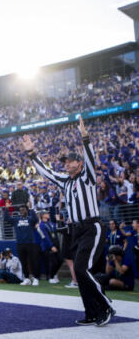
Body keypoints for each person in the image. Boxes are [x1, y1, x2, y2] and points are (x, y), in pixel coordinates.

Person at [22, 117, 114, 326]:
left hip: (92, 226)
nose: (66, 164)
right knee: (79, 273)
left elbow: (90, 158)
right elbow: (46, 172)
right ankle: (91, 312)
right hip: (77, 230)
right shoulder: (66, 181)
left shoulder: (87, 176)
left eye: (70, 161)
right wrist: (31, 153)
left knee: (82, 269)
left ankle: (105, 306)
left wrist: (85, 137)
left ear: (79, 164)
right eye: (65, 162)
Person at [3, 205, 41, 286]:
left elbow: (36, 219)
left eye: (23, 210)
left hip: (30, 243)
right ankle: (26, 278)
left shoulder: (30, 219)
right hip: (20, 244)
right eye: (20, 210)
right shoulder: (16, 219)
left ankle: (35, 278)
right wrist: (6, 209)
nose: (22, 211)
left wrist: (31, 209)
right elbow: (7, 219)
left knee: (32, 261)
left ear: (27, 211)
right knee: (23, 262)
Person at [36, 211, 62, 284]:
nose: (48, 214)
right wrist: (51, 246)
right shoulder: (41, 225)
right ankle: (51, 277)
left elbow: (57, 229)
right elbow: (44, 237)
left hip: (55, 244)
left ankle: (53, 275)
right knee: (53, 262)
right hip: (47, 246)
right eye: (46, 213)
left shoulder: (50, 223)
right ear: (42, 215)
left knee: (60, 260)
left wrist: (58, 220)